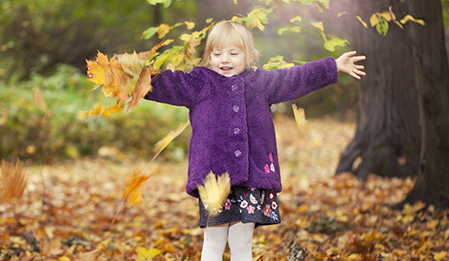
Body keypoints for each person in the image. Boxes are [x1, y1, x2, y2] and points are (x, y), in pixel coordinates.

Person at [144, 20, 366, 261]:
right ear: (209, 56)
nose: (224, 60)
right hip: (215, 179)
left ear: (249, 55)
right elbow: (165, 83)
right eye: (217, 54)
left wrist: (332, 66)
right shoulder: (199, 83)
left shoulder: (261, 83)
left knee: (242, 241)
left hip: (252, 176)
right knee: (214, 239)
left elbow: (295, 77)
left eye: (233, 53)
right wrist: (124, 78)